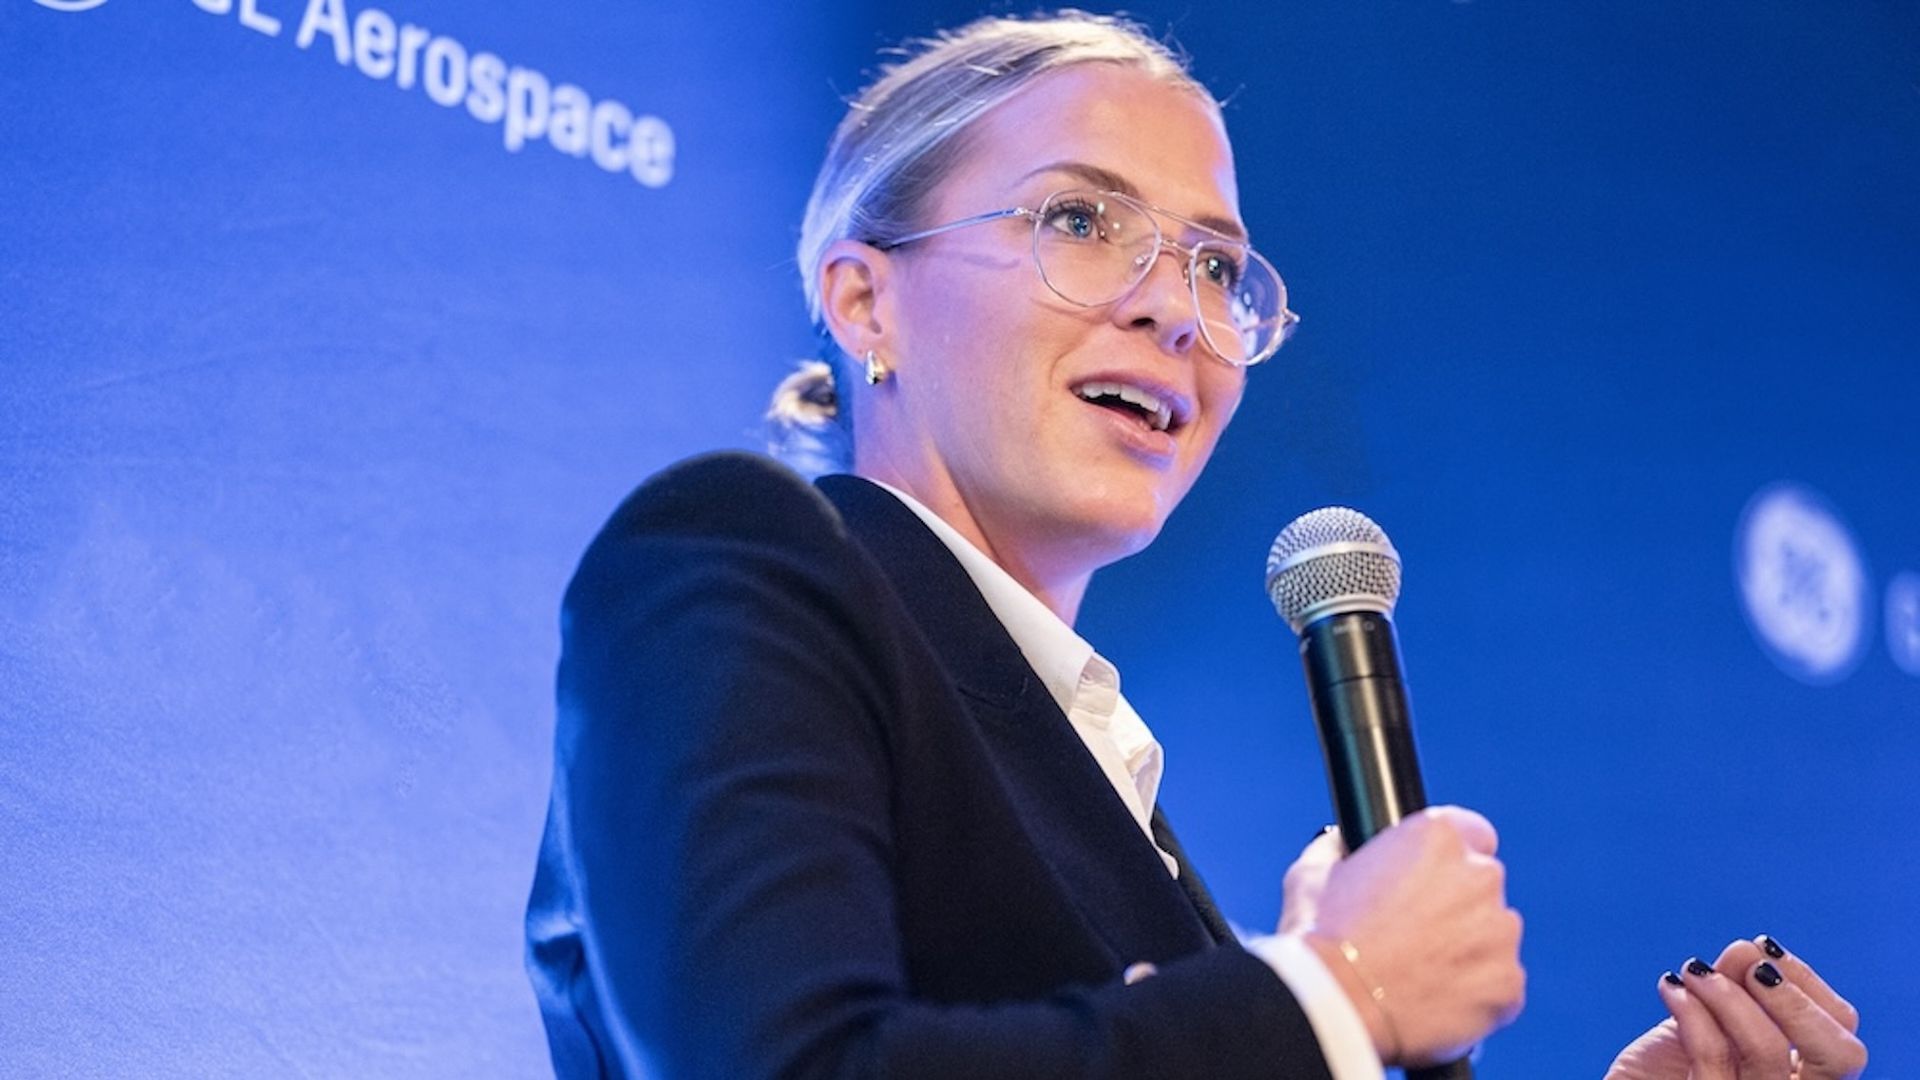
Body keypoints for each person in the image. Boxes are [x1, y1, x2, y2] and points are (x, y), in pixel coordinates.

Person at [524, 11, 1868, 1078]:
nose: (1176, 308)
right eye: (1081, 220)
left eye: (1218, 266)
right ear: (864, 300)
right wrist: (1338, 992)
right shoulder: (739, 559)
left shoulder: (1120, 805)